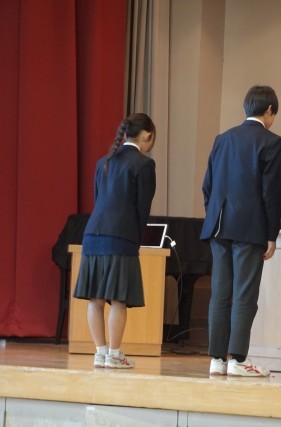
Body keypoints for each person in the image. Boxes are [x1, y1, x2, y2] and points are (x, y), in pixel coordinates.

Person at [201, 85, 281, 377]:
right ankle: (237, 359)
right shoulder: (273, 142)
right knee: (244, 295)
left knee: (220, 294)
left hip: (218, 225)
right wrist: (271, 234)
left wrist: (214, 214)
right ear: (270, 110)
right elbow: (270, 192)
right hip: (250, 227)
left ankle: (217, 360)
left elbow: (207, 185)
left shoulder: (222, 138)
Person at [73, 113, 157, 369]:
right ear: (147, 136)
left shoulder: (103, 161)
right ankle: (115, 354)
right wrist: (136, 238)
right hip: (122, 236)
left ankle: (100, 353)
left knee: (95, 299)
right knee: (119, 299)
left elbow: (98, 199)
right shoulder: (144, 164)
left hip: (93, 234)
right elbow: (142, 208)